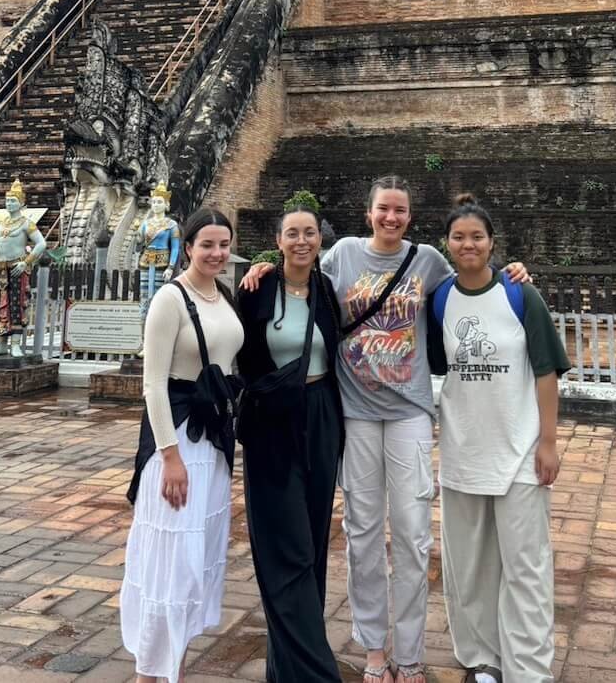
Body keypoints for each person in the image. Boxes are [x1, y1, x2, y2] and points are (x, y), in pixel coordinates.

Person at [242, 175, 529, 683]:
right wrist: (266, 266)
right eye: (383, 209)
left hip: (409, 412)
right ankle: (374, 649)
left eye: (400, 210)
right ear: (368, 212)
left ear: (409, 217)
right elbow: (300, 271)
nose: (391, 218)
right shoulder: (345, 255)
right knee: (363, 534)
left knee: (414, 535)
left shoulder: (427, 262)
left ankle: (411, 652)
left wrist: (516, 275)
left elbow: (473, 276)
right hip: (354, 412)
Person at [428, 194, 570, 683]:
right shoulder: (440, 299)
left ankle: (529, 670)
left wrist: (548, 442)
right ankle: (483, 660)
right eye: (459, 237)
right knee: (469, 567)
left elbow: (547, 371)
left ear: (491, 243)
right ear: (446, 243)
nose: (468, 245)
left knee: (526, 568)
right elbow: (431, 366)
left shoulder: (519, 294)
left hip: (521, 451)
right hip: (464, 450)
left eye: (477, 237)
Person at [121, 207, 244, 683]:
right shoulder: (170, 300)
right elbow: (152, 386)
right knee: (168, 563)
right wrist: (170, 457)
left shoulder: (224, 295)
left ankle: (174, 666)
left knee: (195, 563)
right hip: (176, 442)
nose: (217, 253)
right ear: (187, 246)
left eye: (223, 244)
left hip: (213, 443)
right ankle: (149, 675)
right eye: (207, 244)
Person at [236, 202, 344, 683]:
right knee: (287, 547)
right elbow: (235, 353)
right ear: (277, 241)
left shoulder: (325, 290)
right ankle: (318, 673)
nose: (302, 241)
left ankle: (287, 671)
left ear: (320, 240)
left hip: (321, 415)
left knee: (314, 541)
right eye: (292, 233)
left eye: (310, 233)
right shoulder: (257, 290)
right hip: (272, 423)